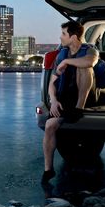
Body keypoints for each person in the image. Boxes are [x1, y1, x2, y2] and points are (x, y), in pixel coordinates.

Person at [41, 20, 99, 187]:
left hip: (86, 96)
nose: (60, 37)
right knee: (50, 125)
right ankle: (48, 170)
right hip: (66, 97)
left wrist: (67, 63)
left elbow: (90, 62)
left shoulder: (90, 50)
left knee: (84, 67)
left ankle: (79, 108)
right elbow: (52, 82)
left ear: (73, 37)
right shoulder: (62, 54)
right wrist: (53, 101)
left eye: (63, 34)